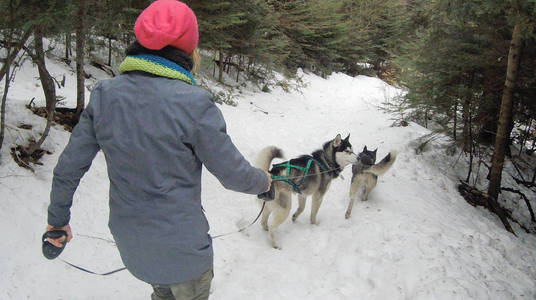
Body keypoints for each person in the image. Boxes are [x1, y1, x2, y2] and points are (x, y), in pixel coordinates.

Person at [44, 1, 271, 299]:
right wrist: (264, 181)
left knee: (160, 291)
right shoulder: (195, 103)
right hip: (184, 251)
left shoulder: (105, 96)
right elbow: (233, 175)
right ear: (189, 50)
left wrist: (57, 222)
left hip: (133, 245)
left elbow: (68, 168)